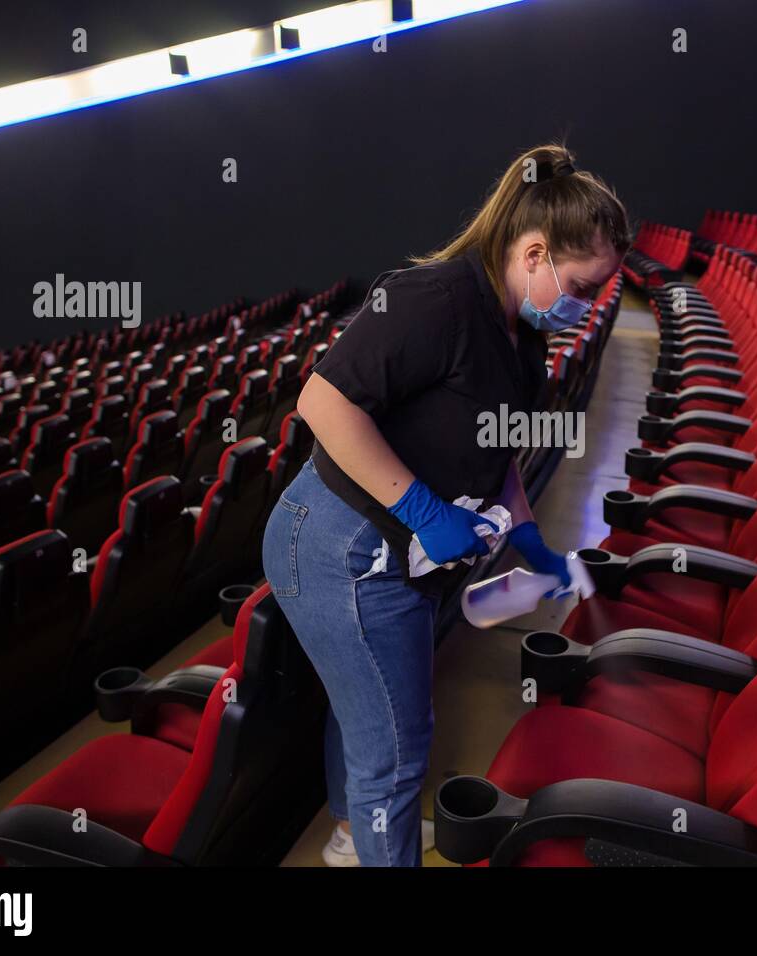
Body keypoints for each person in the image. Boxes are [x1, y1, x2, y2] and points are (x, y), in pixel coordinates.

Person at [261, 144, 628, 866]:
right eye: (583, 286)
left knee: (369, 709)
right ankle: (372, 843)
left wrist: (526, 536)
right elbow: (321, 401)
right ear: (533, 254)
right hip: (340, 546)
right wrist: (425, 508)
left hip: (390, 552)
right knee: (398, 752)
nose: (585, 307)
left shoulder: (520, 331)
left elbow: (498, 451)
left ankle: (348, 833)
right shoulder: (437, 299)